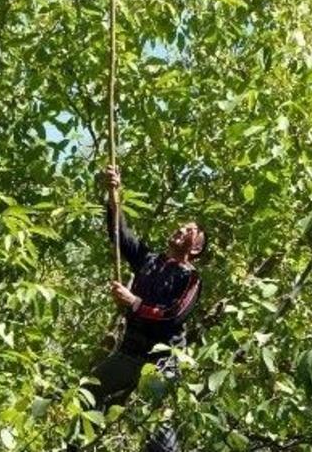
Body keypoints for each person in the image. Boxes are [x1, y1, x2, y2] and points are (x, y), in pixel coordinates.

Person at [84, 165, 206, 452]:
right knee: (89, 390)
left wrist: (133, 302)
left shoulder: (190, 278)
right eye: (181, 226)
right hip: (130, 352)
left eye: (190, 230)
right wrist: (114, 194)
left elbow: (173, 315)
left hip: (161, 362)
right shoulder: (149, 260)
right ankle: (85, 444)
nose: (181, 229)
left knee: (157, 423)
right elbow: (121, 235)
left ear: (196, 248)